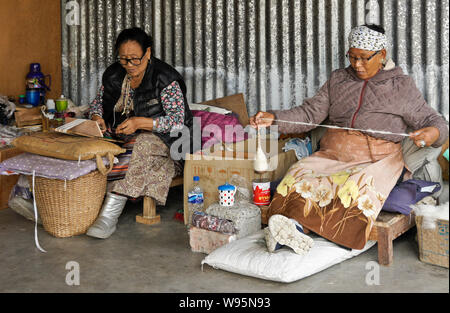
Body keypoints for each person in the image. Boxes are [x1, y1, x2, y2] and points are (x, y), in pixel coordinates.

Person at [250, 24, 449, 250]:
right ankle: (292, 229)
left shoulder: (400, 86)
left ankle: (306, 228)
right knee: (298, 176)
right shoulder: (338, 80)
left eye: (364, 58)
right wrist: (273, 118)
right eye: (352, 57)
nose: (357, 65)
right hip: (331, 155)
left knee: (354, 188)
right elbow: (309, 113)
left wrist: (433, 132)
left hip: (375, 160)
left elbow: (433, 121)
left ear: (381, 55)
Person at [86, 27, 194, 239]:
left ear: (148, 53)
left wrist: (140, 122)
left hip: (170, 141)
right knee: (97, 149)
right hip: (124, 136)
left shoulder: (165, 78)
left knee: (141, 144)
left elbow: (178, 122)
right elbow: (98, 103)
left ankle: (109, 215)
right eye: (124, 59)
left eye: (135, 59)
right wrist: (97, 118)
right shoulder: (114, 75)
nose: (129, 65)